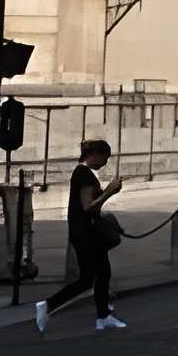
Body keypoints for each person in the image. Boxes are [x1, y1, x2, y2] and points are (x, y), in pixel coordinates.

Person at [35, 138, 126, 331]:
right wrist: (110, 191)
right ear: (94, 155)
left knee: (103, 273)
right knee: (88, 278)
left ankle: (103, 316)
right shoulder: (84, 174)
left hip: (88, 232)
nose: (106, 162)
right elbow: (88, 207)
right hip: (85, 234)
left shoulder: (84, 173)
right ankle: (48, 305)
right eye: (105, 158)